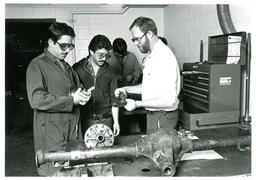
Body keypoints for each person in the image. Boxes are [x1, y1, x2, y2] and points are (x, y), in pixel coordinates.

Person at [26, 22, 91, 176]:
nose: (68, 50)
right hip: (53, 136)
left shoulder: (67, 67)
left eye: (70, 46)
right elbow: (36, 99)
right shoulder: (37, 65)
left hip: (73, 131)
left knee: (75, 171)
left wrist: (82, 95)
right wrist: (71, 100)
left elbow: (76, 89)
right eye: (63, 46)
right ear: (50, 42)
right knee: (55, 173)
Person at [115, 17, 181, 134]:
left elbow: (169, 100)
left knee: (160, 151)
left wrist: (136, 104)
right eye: (133, 40)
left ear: (149, 34)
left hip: (162, 117)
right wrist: (126, 89)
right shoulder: (153, 55)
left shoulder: (164, 56)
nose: (135, 43)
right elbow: (150, 88)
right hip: (155, 116)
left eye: (137, 39)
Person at [73, 34, 120, 137]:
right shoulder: (77, 69)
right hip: (84, 120)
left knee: (105, 151)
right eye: (100, 55)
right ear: (91, 51)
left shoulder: (111, 71)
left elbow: (114, 100)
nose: (103, 58)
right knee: (85, 152)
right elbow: (71, 96)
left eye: (106, 55)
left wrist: (116, 122)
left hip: (105, 120)